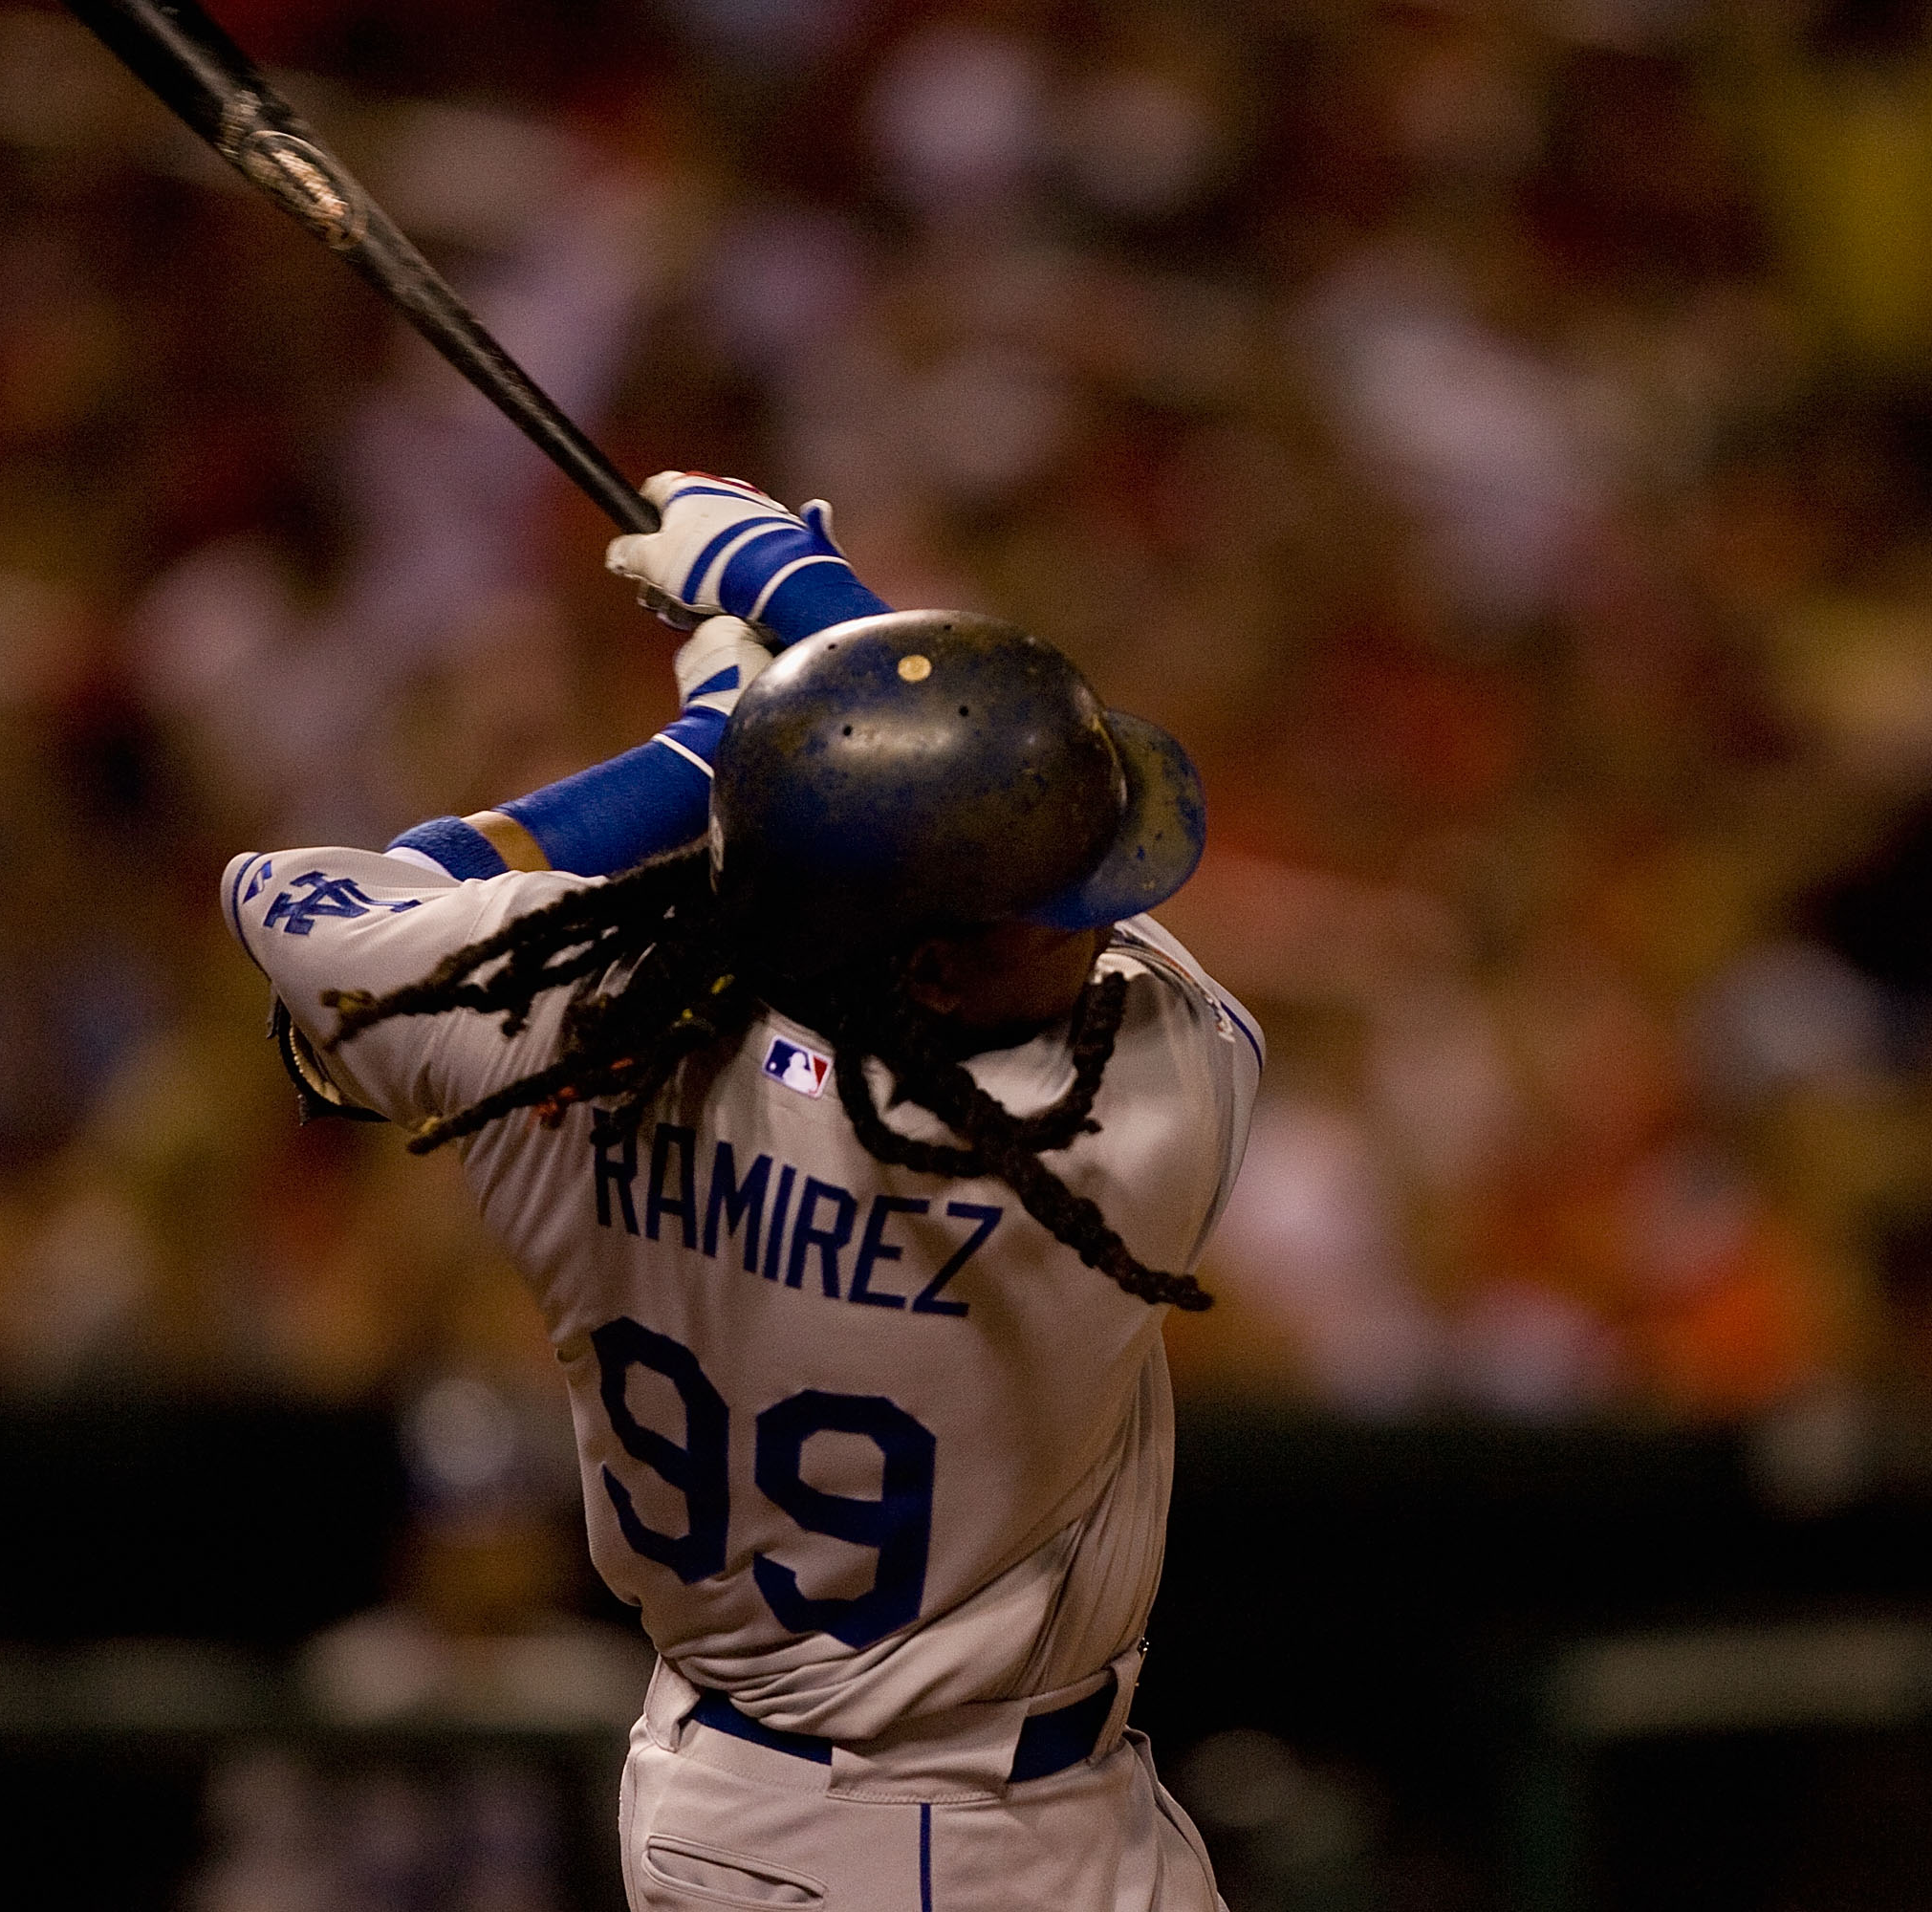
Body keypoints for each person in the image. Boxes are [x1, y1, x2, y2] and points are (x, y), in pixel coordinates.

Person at [222, 472, 1262, 1910]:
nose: (1082, 924)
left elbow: (317, 904)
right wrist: (805, 601)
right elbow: (1014, 789)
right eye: (1038, 918)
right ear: (928, 963)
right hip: (933, 1842)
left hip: (756, 1794)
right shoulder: (1103, 1133)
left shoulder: (579, 1033)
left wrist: (708, 758)